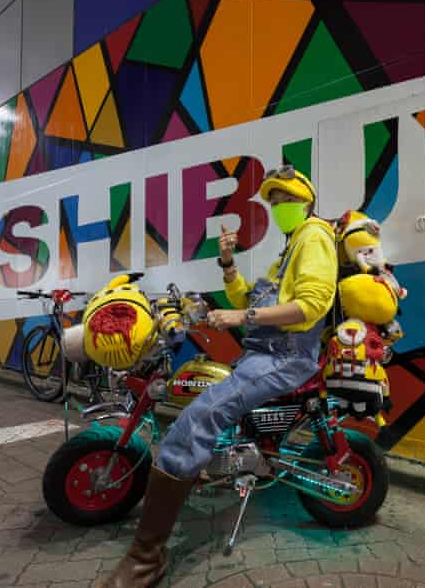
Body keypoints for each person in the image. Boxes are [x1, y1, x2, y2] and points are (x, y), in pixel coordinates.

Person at [99, 166, 338, 588]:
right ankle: (210, 468)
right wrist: (227, 262)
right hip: (263, 352)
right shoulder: (290, 248)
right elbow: (246, 297)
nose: (280, 207)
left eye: (286, 199)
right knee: (205, 391)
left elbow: (312, 306)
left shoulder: (314, 236)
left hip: (285, 358)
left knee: (197, 418)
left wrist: (241, 316)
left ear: (307, 201)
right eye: (274, 201)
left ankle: (145, 557)